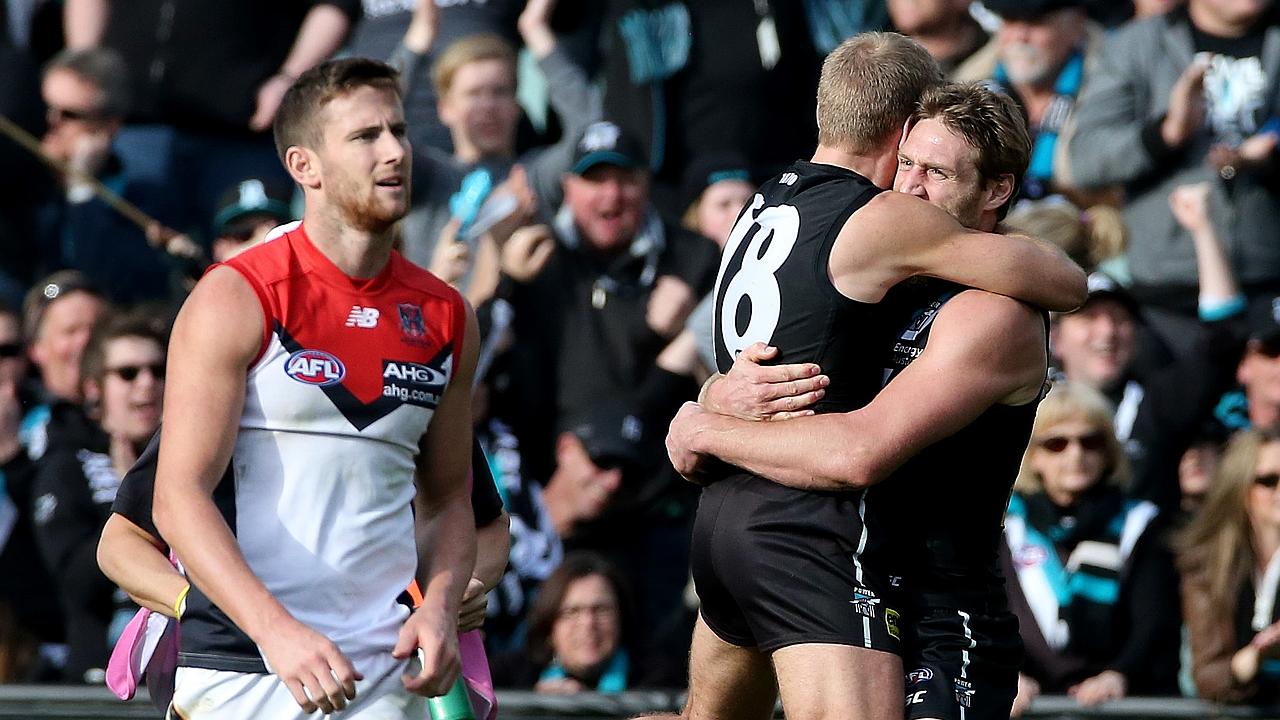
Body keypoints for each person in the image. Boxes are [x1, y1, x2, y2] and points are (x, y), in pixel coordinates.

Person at [644, 33, 1087, 719]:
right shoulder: (891, 268)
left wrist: (705, 426)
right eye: (905, 162)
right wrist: (713, 394)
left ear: (997, 190)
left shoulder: (992, 313)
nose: (908, 186)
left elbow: (857, 450)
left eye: (935, 173)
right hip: (847, 569)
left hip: (941, 619)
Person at [151, 58, 479, 718]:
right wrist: (276, 633)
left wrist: (440, 606)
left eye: (399, 130)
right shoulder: (237, 294)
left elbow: (448, 498)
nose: (394, 151)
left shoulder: (447, 312)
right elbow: (176, 499)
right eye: (365, 137)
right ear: (305, 166)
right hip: (244, 666)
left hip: (384, 673)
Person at [1066, 0, 1280, 357]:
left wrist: (1270, 158)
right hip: (1163, 298)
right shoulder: (1136, 45)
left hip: (1269, 286)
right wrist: (1166, 133)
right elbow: (1086, 159)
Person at [1001, 383, 1181, 713]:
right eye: (1057, 443)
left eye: (1091, 442)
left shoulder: (1140, 525)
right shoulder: (1003, 526)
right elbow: (984, 612)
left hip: (1118, 708)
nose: (1076, 454)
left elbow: (1155, 621)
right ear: (1033, 456)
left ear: (1109, 452)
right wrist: (1004, 672)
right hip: (1026, 704)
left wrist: (1119, 673)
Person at [31, 308, 167, 683]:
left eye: (158, 371)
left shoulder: (198, 467)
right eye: (128, 373)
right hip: (95, 685)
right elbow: (75, 584)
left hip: (181, 675)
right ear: (94, 389)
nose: (146, 384)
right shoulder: (66, 466)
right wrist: (128, 497)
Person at [1177, 426, 1280, 704]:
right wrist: (1252, 659)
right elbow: (1208, 677)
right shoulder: (1207, 566)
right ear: (1241, 488)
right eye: (1269, 480)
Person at [490, 551, 644, 693]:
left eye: (601, 609)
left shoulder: (658, 678)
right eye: (572, 612)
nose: (588, 623)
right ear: (549, 625)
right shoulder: (505, 677)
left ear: (621, 617)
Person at [19, 270, 107, 462]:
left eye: (97, 329)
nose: (86, 340)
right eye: (71, 331)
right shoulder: (25, 435)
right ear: (36, 347)